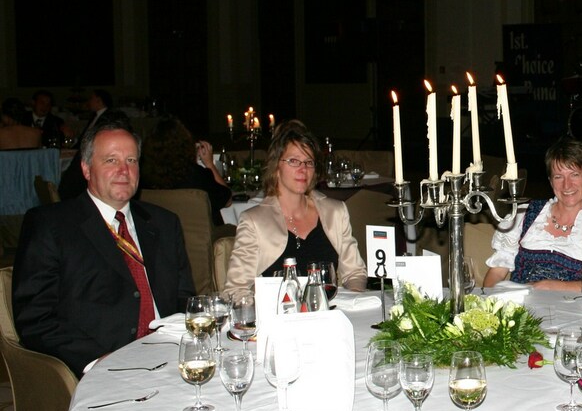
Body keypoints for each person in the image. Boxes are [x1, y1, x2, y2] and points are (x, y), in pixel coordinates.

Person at [12, 117, 195, 376]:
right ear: (86, 169)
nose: (124, 170)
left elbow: (184, 299)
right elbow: (35, 318)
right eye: (111, 160)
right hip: (100, 367)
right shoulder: (51, 225)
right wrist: (96, 359)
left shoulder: (164, 223)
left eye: (131, 160)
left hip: (171, 359)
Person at [225, 119, 367, 294]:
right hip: (279, 310)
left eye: (309, 162)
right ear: (276, 167)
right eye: (294, 161)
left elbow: (355, 273)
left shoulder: (335, 212)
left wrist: (354, 299)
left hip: (331, 309)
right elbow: (236, 289)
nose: (303, 169)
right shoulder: (254, 221)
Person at [483, 137, 582, 291]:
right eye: (558, 177)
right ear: (550, 181)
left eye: (574, 175)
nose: (567, 185)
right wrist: (490, 299)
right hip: (519, 304)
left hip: (573, 306)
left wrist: (549, 286)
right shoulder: (524, 214)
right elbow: (496, 273)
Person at [140, 116, 233, 225]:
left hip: (163, 233)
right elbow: (227, 201)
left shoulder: (145, 179)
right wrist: (209, 164)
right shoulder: (196, 175)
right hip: (202, 235)